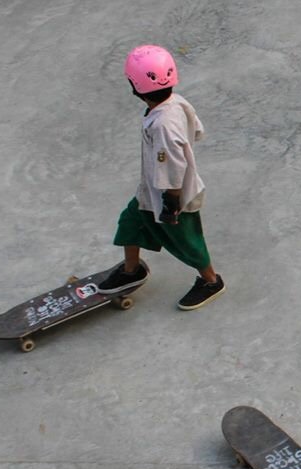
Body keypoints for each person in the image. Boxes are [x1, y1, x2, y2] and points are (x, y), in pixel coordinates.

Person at [96, 44, 225, 310]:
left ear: (135, 86)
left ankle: (211, 281)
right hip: (151, 192)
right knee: (130, 222)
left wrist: (171, 202)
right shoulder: (176, 102)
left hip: (172, 198)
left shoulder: (163, 123)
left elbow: (174, 164)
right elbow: (197, 130)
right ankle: (132, 270)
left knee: (186, 242)